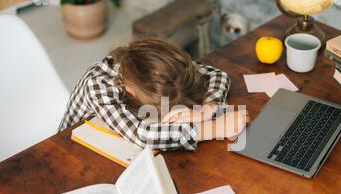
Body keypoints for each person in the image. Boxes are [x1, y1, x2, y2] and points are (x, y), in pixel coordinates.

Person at [59, 38, 249, 151]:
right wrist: (215, 129)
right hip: (73, 144)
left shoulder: (160, 62)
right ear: (129, 90)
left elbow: (217, 74)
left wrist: (208, 108)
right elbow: (144, 135)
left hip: (117, 132)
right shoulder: (98, 86)